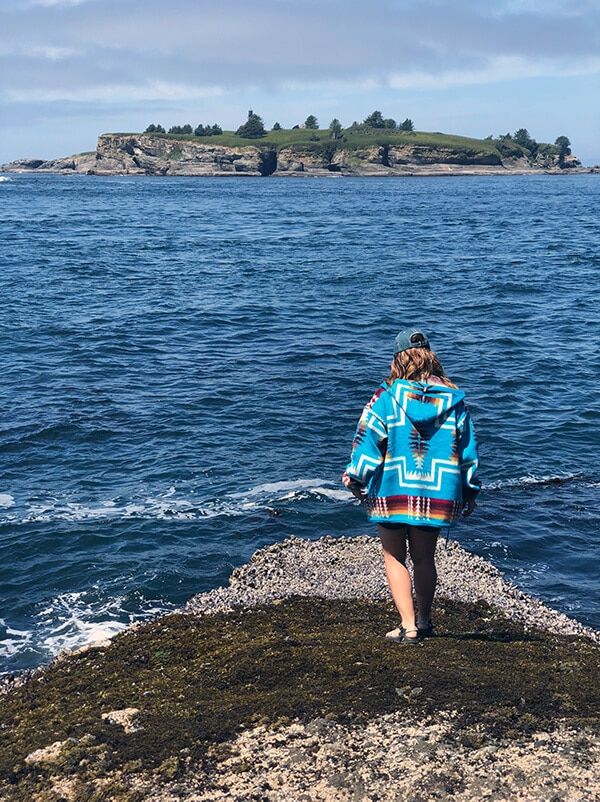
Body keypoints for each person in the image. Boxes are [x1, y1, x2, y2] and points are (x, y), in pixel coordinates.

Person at [342, 326, 481, 644]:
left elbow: (368, 441)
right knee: (424, 559)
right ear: (431, 356)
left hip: (393, 489)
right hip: (437, 493)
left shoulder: (386, 396)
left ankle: (408, 626)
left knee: (394, 557)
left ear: (398, 360)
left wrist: (355, 475)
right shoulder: (454, 400)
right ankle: (425, 620)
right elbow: (467, 451)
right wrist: (470, 490)